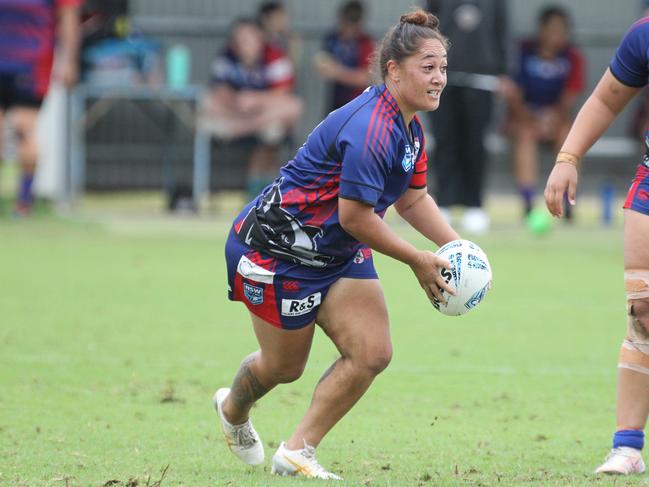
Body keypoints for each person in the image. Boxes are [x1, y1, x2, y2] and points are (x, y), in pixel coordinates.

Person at [214, 9, 461, 479]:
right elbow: (356, 216)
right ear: (393, 70)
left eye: (443, 67)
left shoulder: (409, 126)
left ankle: (297, 450)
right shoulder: (372, 128)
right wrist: (416, 260)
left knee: (373, 352)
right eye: (428, 67)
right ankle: (233, 409)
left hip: (336, 248)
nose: (439, 79)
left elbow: (413, 200)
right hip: (276, 250)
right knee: (283, 368)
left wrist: (459, 248)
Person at [545, 15, 649, 476]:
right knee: (642, 314)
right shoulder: (644, 34)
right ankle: (627, 448)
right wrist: (568, 157)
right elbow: (607, 97)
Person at [426, 0, 512, 234]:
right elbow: (426, 26)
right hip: (444, 76)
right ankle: (442, 202)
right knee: (444, 141)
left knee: (476, 144)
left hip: (483, 76)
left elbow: (502, 29)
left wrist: (503, 71)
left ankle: (475, 205)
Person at [203, 17, 302, 199]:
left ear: (260, 38)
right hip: (237, 112)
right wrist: (238, 100)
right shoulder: (227, 56)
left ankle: (241, 129)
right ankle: (246, 127)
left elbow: (284, 93)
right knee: (206, 102)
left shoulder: (275, 56)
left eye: (248, 38)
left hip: (262, 116)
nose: (243, 44)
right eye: (239, 39)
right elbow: (218, 91)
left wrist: (257, 100)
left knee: (291, 108)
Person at [0, 0, 82, 216]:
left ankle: (24, 201)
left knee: (23, 127)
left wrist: (69, 61)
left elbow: (69, 17)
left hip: (32, 64)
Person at [505, 6, 585, 218]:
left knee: (569, 136)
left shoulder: (572, 57)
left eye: (560, 31)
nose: (555, 36)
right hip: (525, 119)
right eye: (550, 29)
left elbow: (570, 96)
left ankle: (567, 203)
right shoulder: (524, 51)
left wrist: (552, 119)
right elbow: (515, 94)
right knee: (525, 135)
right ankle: (528, 202)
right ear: (540, 30)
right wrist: (532, 118)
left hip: (558, 119)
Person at [314, 0, 375, 113]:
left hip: (357, 106)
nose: (347, 30)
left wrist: (337, 72)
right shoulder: (332, 39)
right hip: (334, 103)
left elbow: (366, 78)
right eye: (345, 24)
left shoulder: (364, 43)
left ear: (359, 24)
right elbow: (322, 63)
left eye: (351, 25)